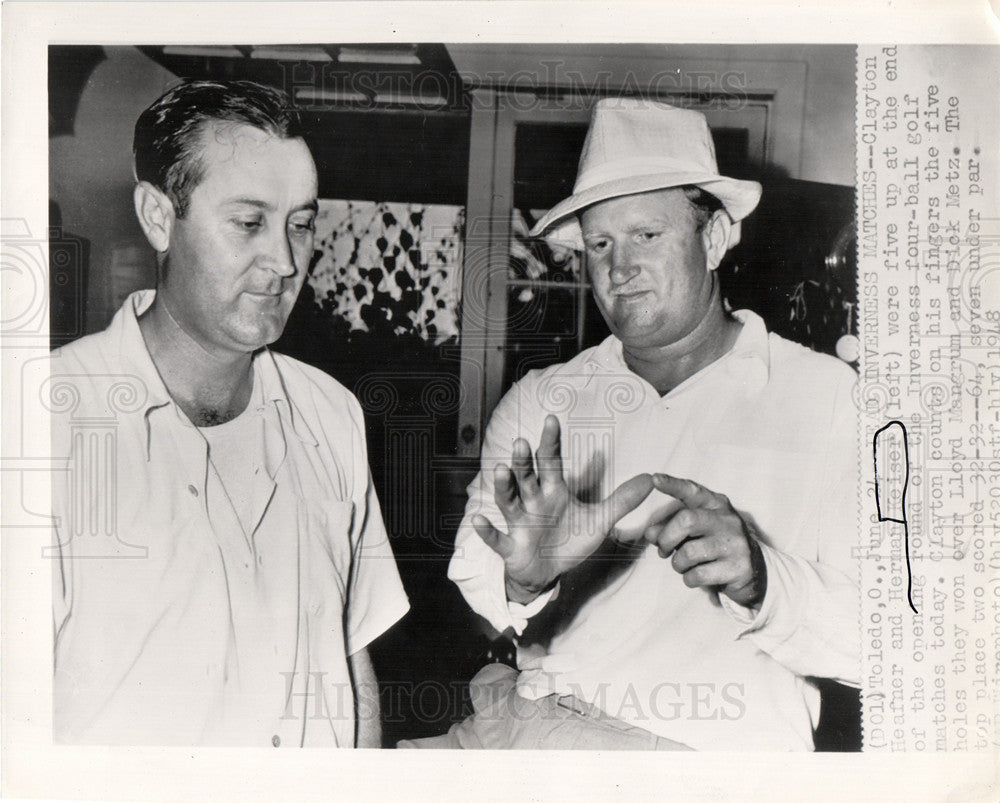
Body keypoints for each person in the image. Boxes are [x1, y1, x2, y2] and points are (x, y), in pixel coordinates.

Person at [402, 99, 859, 750]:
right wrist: (525, 579)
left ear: (714, 237)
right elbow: (478, 584)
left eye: (647, 234)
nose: (620, 267)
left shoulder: (831, 400)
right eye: (601, 244)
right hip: (525, 727)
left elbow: (888, 643)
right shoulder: (545, 400)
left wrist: (763, 579)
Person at [50, 80, 409, 747]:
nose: (284, 261)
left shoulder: (332, 415)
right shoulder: (46, 422)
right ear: (159, 217)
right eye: (249, 222)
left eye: (300, 224)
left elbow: (352, 654)